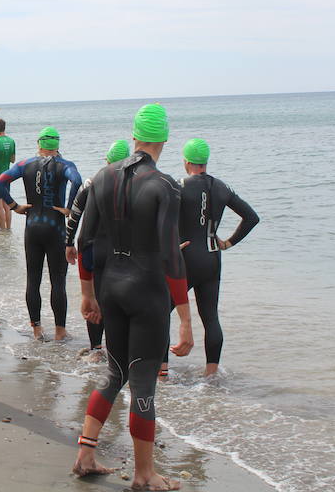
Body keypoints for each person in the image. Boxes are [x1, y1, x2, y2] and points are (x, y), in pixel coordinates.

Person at [72, 104, 194, 491]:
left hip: (110, 288)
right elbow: (171, 255)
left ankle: (85, 455)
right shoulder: (166, 185)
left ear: (135, 133)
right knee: (143, 384)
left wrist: (87, 295)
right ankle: (144, 475)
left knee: (114, 372)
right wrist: (187, 318)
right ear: (164, 139)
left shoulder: (102, 176)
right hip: (146, 293)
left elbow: (84, 241)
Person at [160, 138, 259, 378]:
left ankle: (162, 371)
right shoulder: (222, 187)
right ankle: (211, 375)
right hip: (212, 258)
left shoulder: (178, 185)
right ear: (205, 161)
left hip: (185, 258)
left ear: (186, 161)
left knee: (162, 311)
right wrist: (228, 242)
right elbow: (251, 217)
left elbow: (161, 218)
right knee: (211, 317)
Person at [0, 127, 81, 341]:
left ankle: (37, 330)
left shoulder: (25, 164)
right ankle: (60, 332)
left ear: (39, 144)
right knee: (57, 281)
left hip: (33, 226)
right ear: (57, 146)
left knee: (33, 279)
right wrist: (68, 208)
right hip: (55, 227)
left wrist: (15, 206)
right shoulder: (65, 165)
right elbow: (77, 181)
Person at [65, 139, 130, 355]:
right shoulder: (132, 184)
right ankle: (116, 350)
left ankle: (95, 349)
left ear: (107, 160)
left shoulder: (91, 182)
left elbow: (75, 214)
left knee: (92, 298)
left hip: (90, 248)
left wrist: (68, 243)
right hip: (119, 251)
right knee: (115, 300)